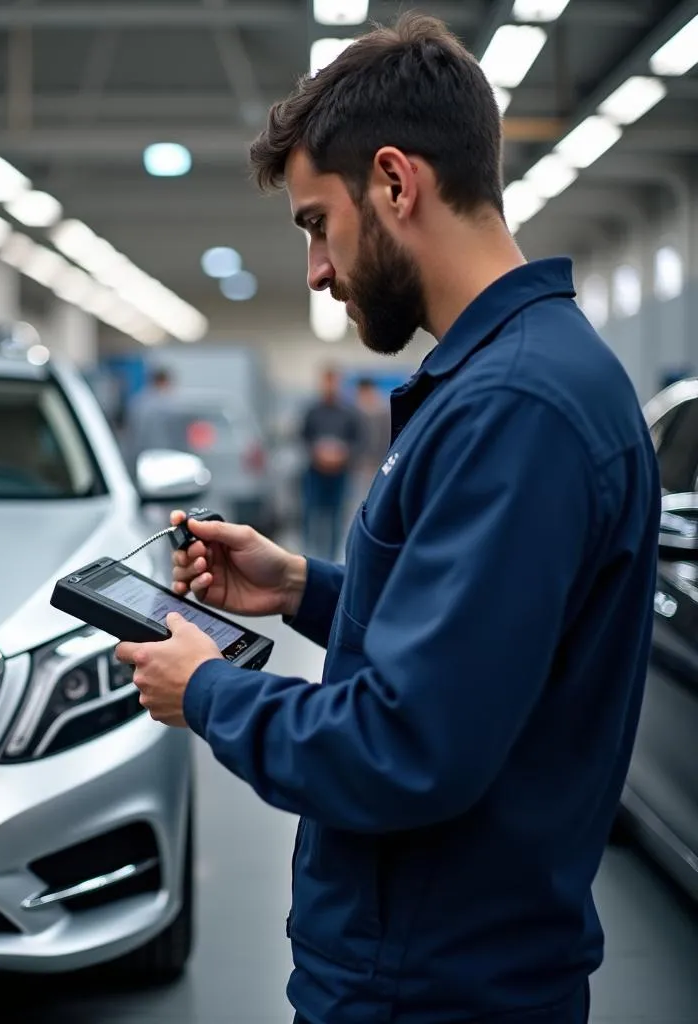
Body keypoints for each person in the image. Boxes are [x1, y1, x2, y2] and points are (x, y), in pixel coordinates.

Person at [113, 13, 661, 1024]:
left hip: (428, 982)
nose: (316, 272)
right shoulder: (507, 380)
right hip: (441, 959)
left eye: (318, 223)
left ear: (396, 184)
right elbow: (482, 646)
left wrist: (210, 692)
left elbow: (406, 746)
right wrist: (303, 589)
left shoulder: (513, 408)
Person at [300, 365, 361, 558]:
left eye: (334, 381)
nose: (330, 386)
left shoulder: (348, 413)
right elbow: (302, 437)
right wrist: (317, 453)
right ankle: (310, 556)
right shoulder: (312, 411)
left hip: (340, 473)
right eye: (327, 381)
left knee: (336, 516)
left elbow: (359, 440)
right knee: (311, 514)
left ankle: (331, 558)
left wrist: (342, 455)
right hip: (315, 472)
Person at [122, 364, 175, 465]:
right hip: (161, 454)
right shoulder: (168, 404)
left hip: (140, 453)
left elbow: (129, 430)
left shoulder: (138, 401)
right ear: (164, 382)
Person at [351, 376, 390, 501]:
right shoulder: (354, 413)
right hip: (358, 467)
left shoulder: (385, 413)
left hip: (380, 465)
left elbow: (387, 439)